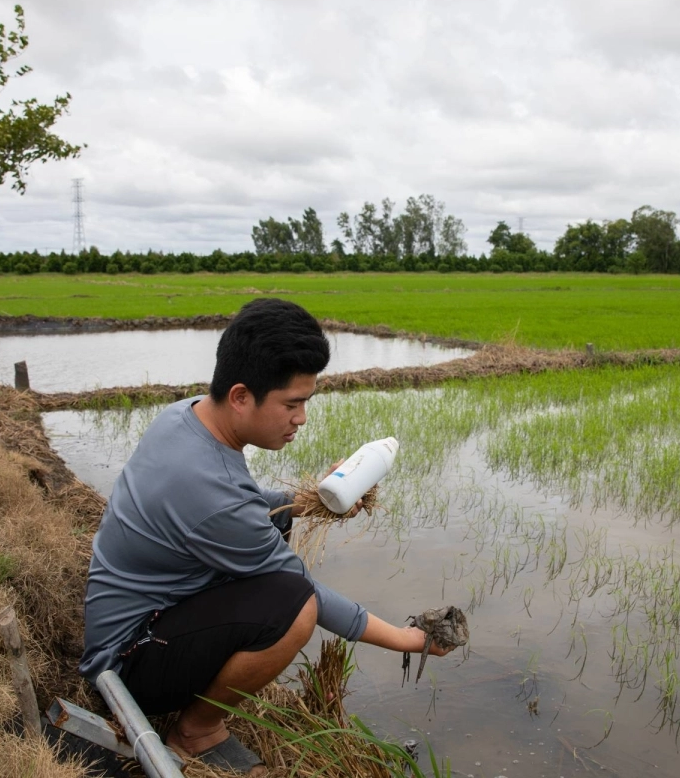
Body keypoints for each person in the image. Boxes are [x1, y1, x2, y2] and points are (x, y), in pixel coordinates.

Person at [80, 298, 450, 776]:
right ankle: (195, 730)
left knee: (282, 589)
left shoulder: (186, 417)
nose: (301, 418)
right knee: (293, 605)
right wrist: (407, 639)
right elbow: (302, 590)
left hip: (138, 619)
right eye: (291, 404)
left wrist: (316, 499)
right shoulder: (209, 496)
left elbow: (245, 500)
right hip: (125, 665)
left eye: (306, 403)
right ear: (240, 396)